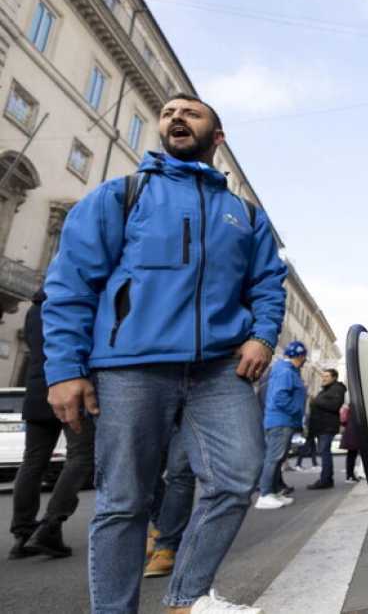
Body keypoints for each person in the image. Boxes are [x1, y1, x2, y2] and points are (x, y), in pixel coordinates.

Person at [42, 92, 287, 613]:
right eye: (170, 112)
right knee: (123, 501)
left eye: (192, 113)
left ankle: (185, 598)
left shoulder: (244, 214)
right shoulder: (121, 195)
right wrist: (65, 367)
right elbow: (70, 283)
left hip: (221, 368)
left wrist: (263, 335)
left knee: (238, 477)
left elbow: (269, 282)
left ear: (216, 138)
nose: (177, 117)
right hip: (132, 366)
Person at [9, 289, 95, 560]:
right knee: (81, 456)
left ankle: (22, 533)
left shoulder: (33, 311)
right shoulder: (70, 304)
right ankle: (50, 525)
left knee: (33, 460)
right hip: (69, 386)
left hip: (36, 392)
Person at [255, 341, 308, 510]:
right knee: (273, 458)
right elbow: (280, 397)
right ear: (300, 356)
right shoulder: (286, 372)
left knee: (277, 458)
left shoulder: (285, 371)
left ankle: (274, 492)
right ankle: (264, 494)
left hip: (282, 420)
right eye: (304, 357)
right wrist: (296, 410)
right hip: (281, 420)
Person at [144, 429, 195, 578]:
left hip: (190, 410)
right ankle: (161, 527)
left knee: (180, 470)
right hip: (152, 408)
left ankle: (166, 546)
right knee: (145, 470)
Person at [306, 368, 346, 490]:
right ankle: (326, 478)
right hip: (321, 426)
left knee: (325, 453)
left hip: (327, 427)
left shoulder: (337, 389)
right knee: (324, 453)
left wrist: (316, 400)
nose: (323, 378)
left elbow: (334, 405)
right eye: (323, 376)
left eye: (327, 376)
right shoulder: (326, 390)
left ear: (334, 377)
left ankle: (326, 480)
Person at [339, 402, 360, 483]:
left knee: (351, 455)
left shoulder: (349, 405)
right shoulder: (356, 405)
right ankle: (350, 476)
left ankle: (350, 475)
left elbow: (343, 420)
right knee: (352, 455)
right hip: (354, 432)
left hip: (350, 431)